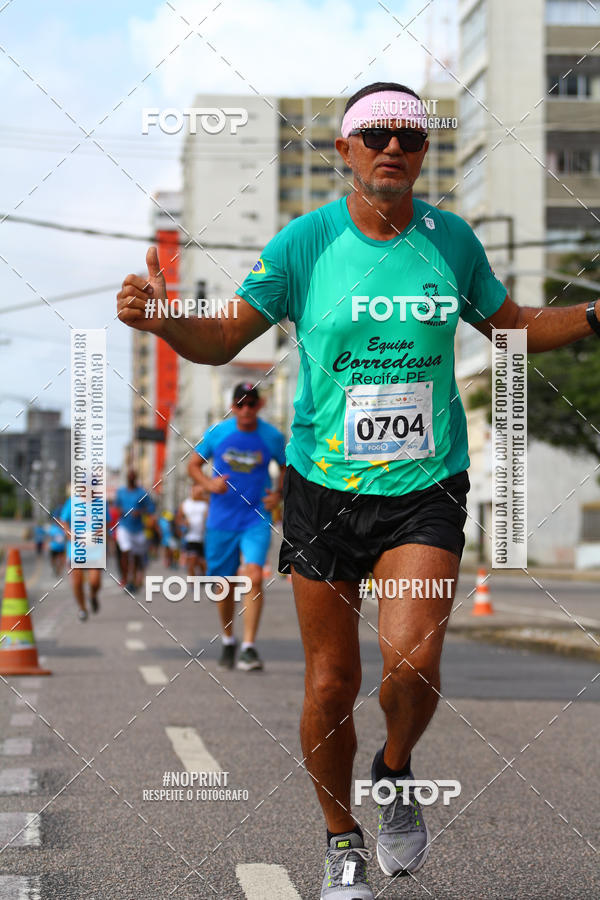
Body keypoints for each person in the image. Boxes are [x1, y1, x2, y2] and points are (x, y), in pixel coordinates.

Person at [117, 80, 600, 897]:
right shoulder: (305, 243)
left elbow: (509, 326)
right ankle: (341, 837)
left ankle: (396, 767)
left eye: (408, 138)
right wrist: (164, 321)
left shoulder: (452, 241)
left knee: (411, 663)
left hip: (425, 486)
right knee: (331, 683)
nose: (391, 148)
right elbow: (227, 333)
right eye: (373, 134)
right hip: (323, 486)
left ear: (422, 155)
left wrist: (594, 316)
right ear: (344, 151)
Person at [186, 383, 285, 671]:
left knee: (254, 576)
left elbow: (290, 466)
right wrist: (208, 484)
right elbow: (193, 465)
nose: (245, 409)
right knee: (224, 584)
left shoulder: (272, 436)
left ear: (260, 405)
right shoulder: (219, 433)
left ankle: (249, 647)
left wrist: (278, 494)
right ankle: (229, 638)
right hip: (222, 518)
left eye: (251, 403)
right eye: (240, 404)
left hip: (256, 516)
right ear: (232, 407)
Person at [58, 496, 108, 621]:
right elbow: (63, 521)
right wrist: (69, 532)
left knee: (95, 581)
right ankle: (82, 608)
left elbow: (105, 523)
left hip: (95, 550)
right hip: (76, 549)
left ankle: (92, 595)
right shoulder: (72, 502)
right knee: (77, 581)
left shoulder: (100, 503)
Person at [114, 469, 155, 592]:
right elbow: (116, 506)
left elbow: (151, 508)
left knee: (137, 556)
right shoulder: (121, 492)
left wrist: (141, 512)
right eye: (129, 477)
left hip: (138, 529)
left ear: (135, 478)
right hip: (124, 527)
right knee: (125, 551)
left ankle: (134, 578)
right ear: (127, 478)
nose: (131, 478)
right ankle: (126, 578)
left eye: (133, 476)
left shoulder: (142, 493)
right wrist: (120, 511)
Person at [178, 484, 209, 577]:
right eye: (196, 490)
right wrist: (184, 523)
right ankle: (193, 583)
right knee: (192, 561)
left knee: (203, 562)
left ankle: (204, 577)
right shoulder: (185, 504)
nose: (198, 493)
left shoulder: (206, 504)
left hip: (204, 538)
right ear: (191, 490)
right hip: (191, 537)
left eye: (200, 491)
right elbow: (178, 519)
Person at [48, 507, 67, 576]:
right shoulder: (52, 528)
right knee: (53, 559)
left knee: (62, 560)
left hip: (62, 547)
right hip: (54, 547)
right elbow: (49, 536)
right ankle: (54, 568)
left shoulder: (64, 528)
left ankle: (58, 570)